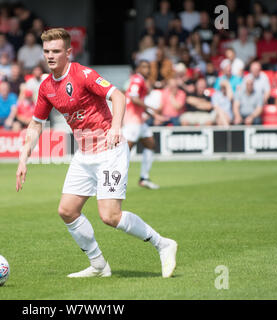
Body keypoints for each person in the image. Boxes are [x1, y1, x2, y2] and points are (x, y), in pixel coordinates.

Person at [15, 28, 177, 278]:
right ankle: (99, 265)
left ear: (68, 52)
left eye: (56, 51)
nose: (50, 56)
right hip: (84, 154)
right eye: (46, 51)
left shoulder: (83, 74)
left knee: (110, 216)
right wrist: (23, 157)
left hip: (110, 151)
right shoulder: (46, 87)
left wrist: (115, 127)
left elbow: (118, 96)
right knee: (67, 211)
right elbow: (36, 123)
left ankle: (163, 244)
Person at [122, 60, 160, 189]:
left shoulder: (140, 79)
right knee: (125, 151)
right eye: (144, 67)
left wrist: (150, 112)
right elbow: (134, 98)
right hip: (132, 121)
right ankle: (114, 178)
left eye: (148, 67)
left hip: (139, 120)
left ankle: (144, 178)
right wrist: (151, 108)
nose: (147, 69)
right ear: (138, 68)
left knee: (150, 144)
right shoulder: (138, 79)